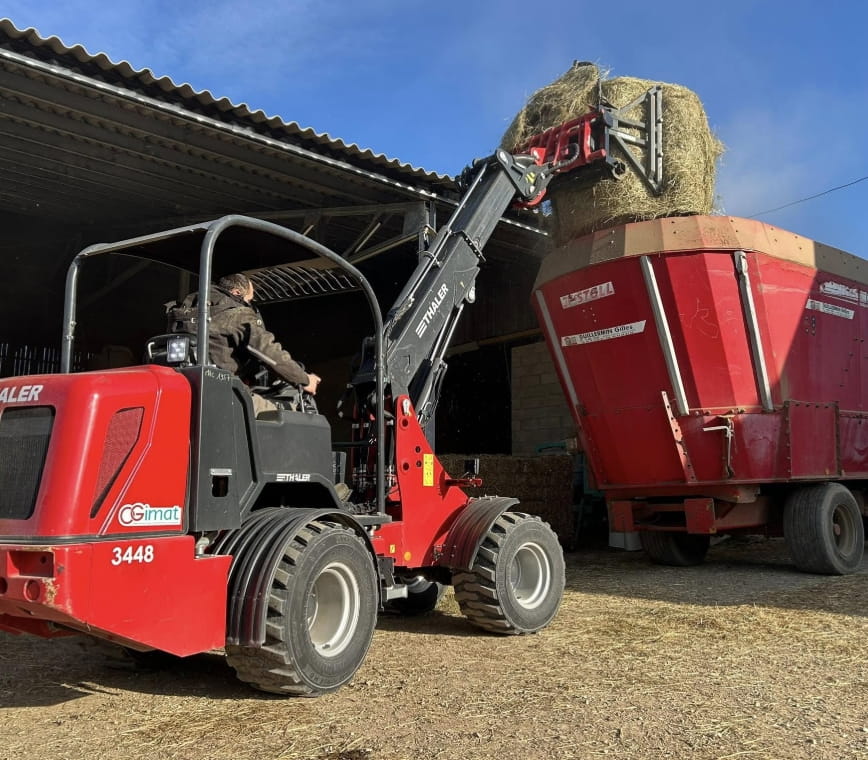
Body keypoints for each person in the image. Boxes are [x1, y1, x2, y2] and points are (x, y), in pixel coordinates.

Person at [167, 272, 321, 416]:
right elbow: (268, 351)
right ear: (236, 293)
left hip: (189, 391)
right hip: (226, 395)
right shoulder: (236, 313)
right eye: (249, 300)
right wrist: (304, 380)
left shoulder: (182, 314)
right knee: (294, 413)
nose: (249, 304)